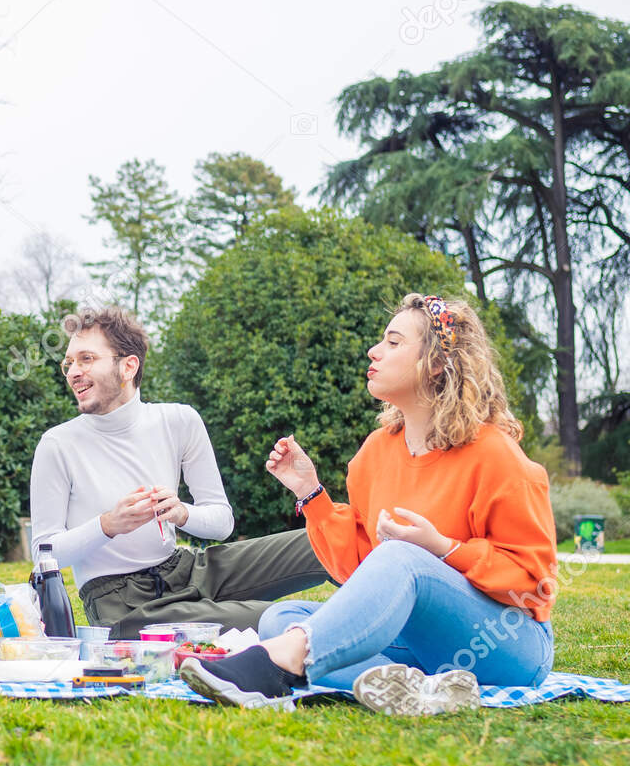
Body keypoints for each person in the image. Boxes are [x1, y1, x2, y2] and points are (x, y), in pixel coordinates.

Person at [180, 293, 558, 714]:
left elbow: (535, 580)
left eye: (394, 342)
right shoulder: (376, 452)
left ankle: (275, 664)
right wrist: (311, 493)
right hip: (416, 647)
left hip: (506, 645)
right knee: (280, 619)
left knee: (402, 557)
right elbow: (359, 572)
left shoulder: (495, 454)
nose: (374, 351)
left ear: (436, 363)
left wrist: (444, 549)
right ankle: (421, 690)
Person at [29, 306, 327, 640]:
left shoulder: (179, 421)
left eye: (86, 359)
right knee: (275, 620)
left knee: (325, 538)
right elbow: (43, 554)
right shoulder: (57, 444)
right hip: (123, 607)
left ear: (128, 366)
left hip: (186, 570)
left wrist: (183, 513)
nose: (72, 372)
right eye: (69, 363)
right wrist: (108, 525)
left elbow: (221, 522)